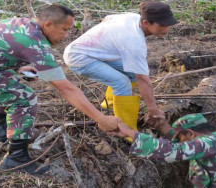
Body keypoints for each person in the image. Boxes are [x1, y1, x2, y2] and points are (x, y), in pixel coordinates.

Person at [0, 4, 119, 175]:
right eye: (65, 30)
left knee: (8, 78)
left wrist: (19, 67)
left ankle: (2, 132)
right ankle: (16, 158)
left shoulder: (23, 24)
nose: (67, 35)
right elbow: (66, 88)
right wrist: (100, 118)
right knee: (23, 97)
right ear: (48, 25)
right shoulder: (35, 44)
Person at [63, 1, 178, 141]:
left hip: (94, 53)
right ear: (147, 23)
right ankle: (126, 132)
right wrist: (153, 108)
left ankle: (111, 104)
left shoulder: (132, 17)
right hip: (78, 57)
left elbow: (107, 19)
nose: (166, 29)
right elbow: (143, 79)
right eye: (162, 25)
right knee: (122, 82)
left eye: (168, 24)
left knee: (130, 74)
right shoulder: (134, 42)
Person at [111, 114, 216, 187]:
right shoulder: (215, 141)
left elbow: (174, 151)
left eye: (180, 137)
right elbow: (180, 142)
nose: (178, 141)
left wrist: (130, 133)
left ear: (191, 134)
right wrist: (161, 126)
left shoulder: (208, 143)